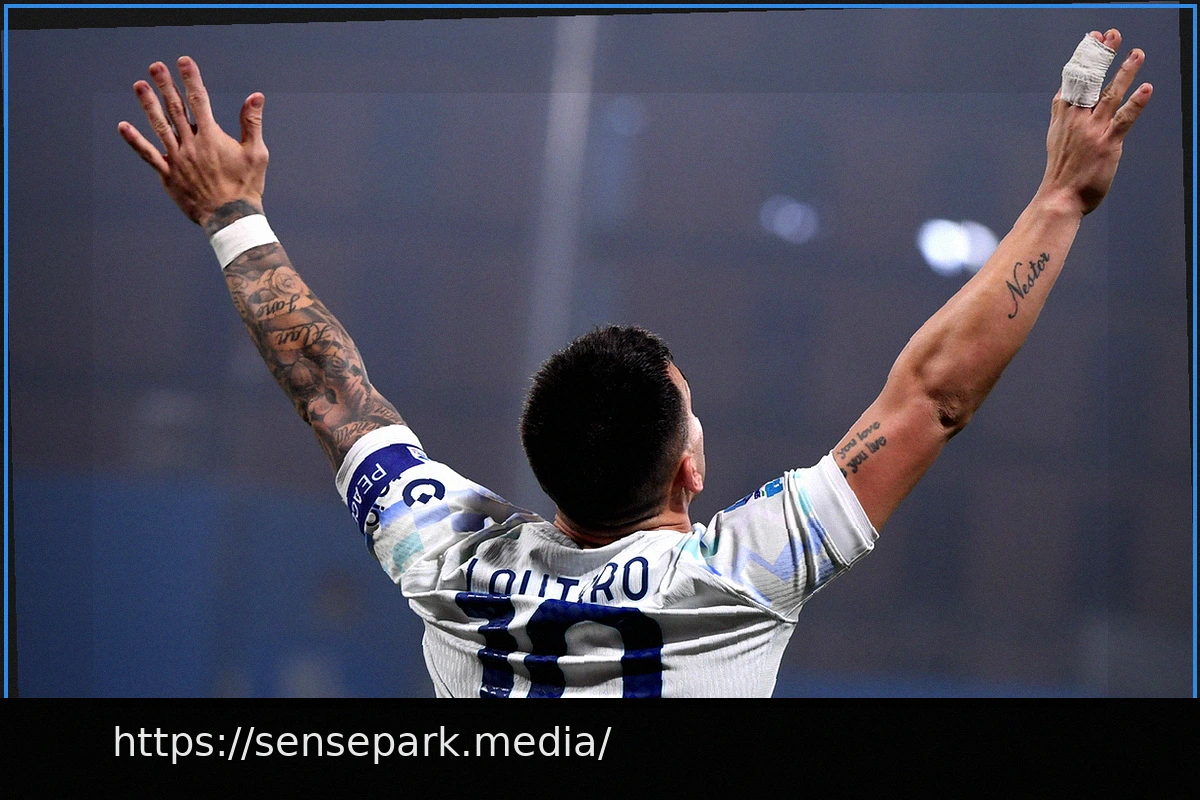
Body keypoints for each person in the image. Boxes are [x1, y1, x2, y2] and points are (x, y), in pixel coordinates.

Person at [118, 29, 1151, 697]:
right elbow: (933, 395)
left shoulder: (451, 561)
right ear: (689, 468)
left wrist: (232, 213)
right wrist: (1062, 195)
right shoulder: (735, 581)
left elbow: (331, 392)